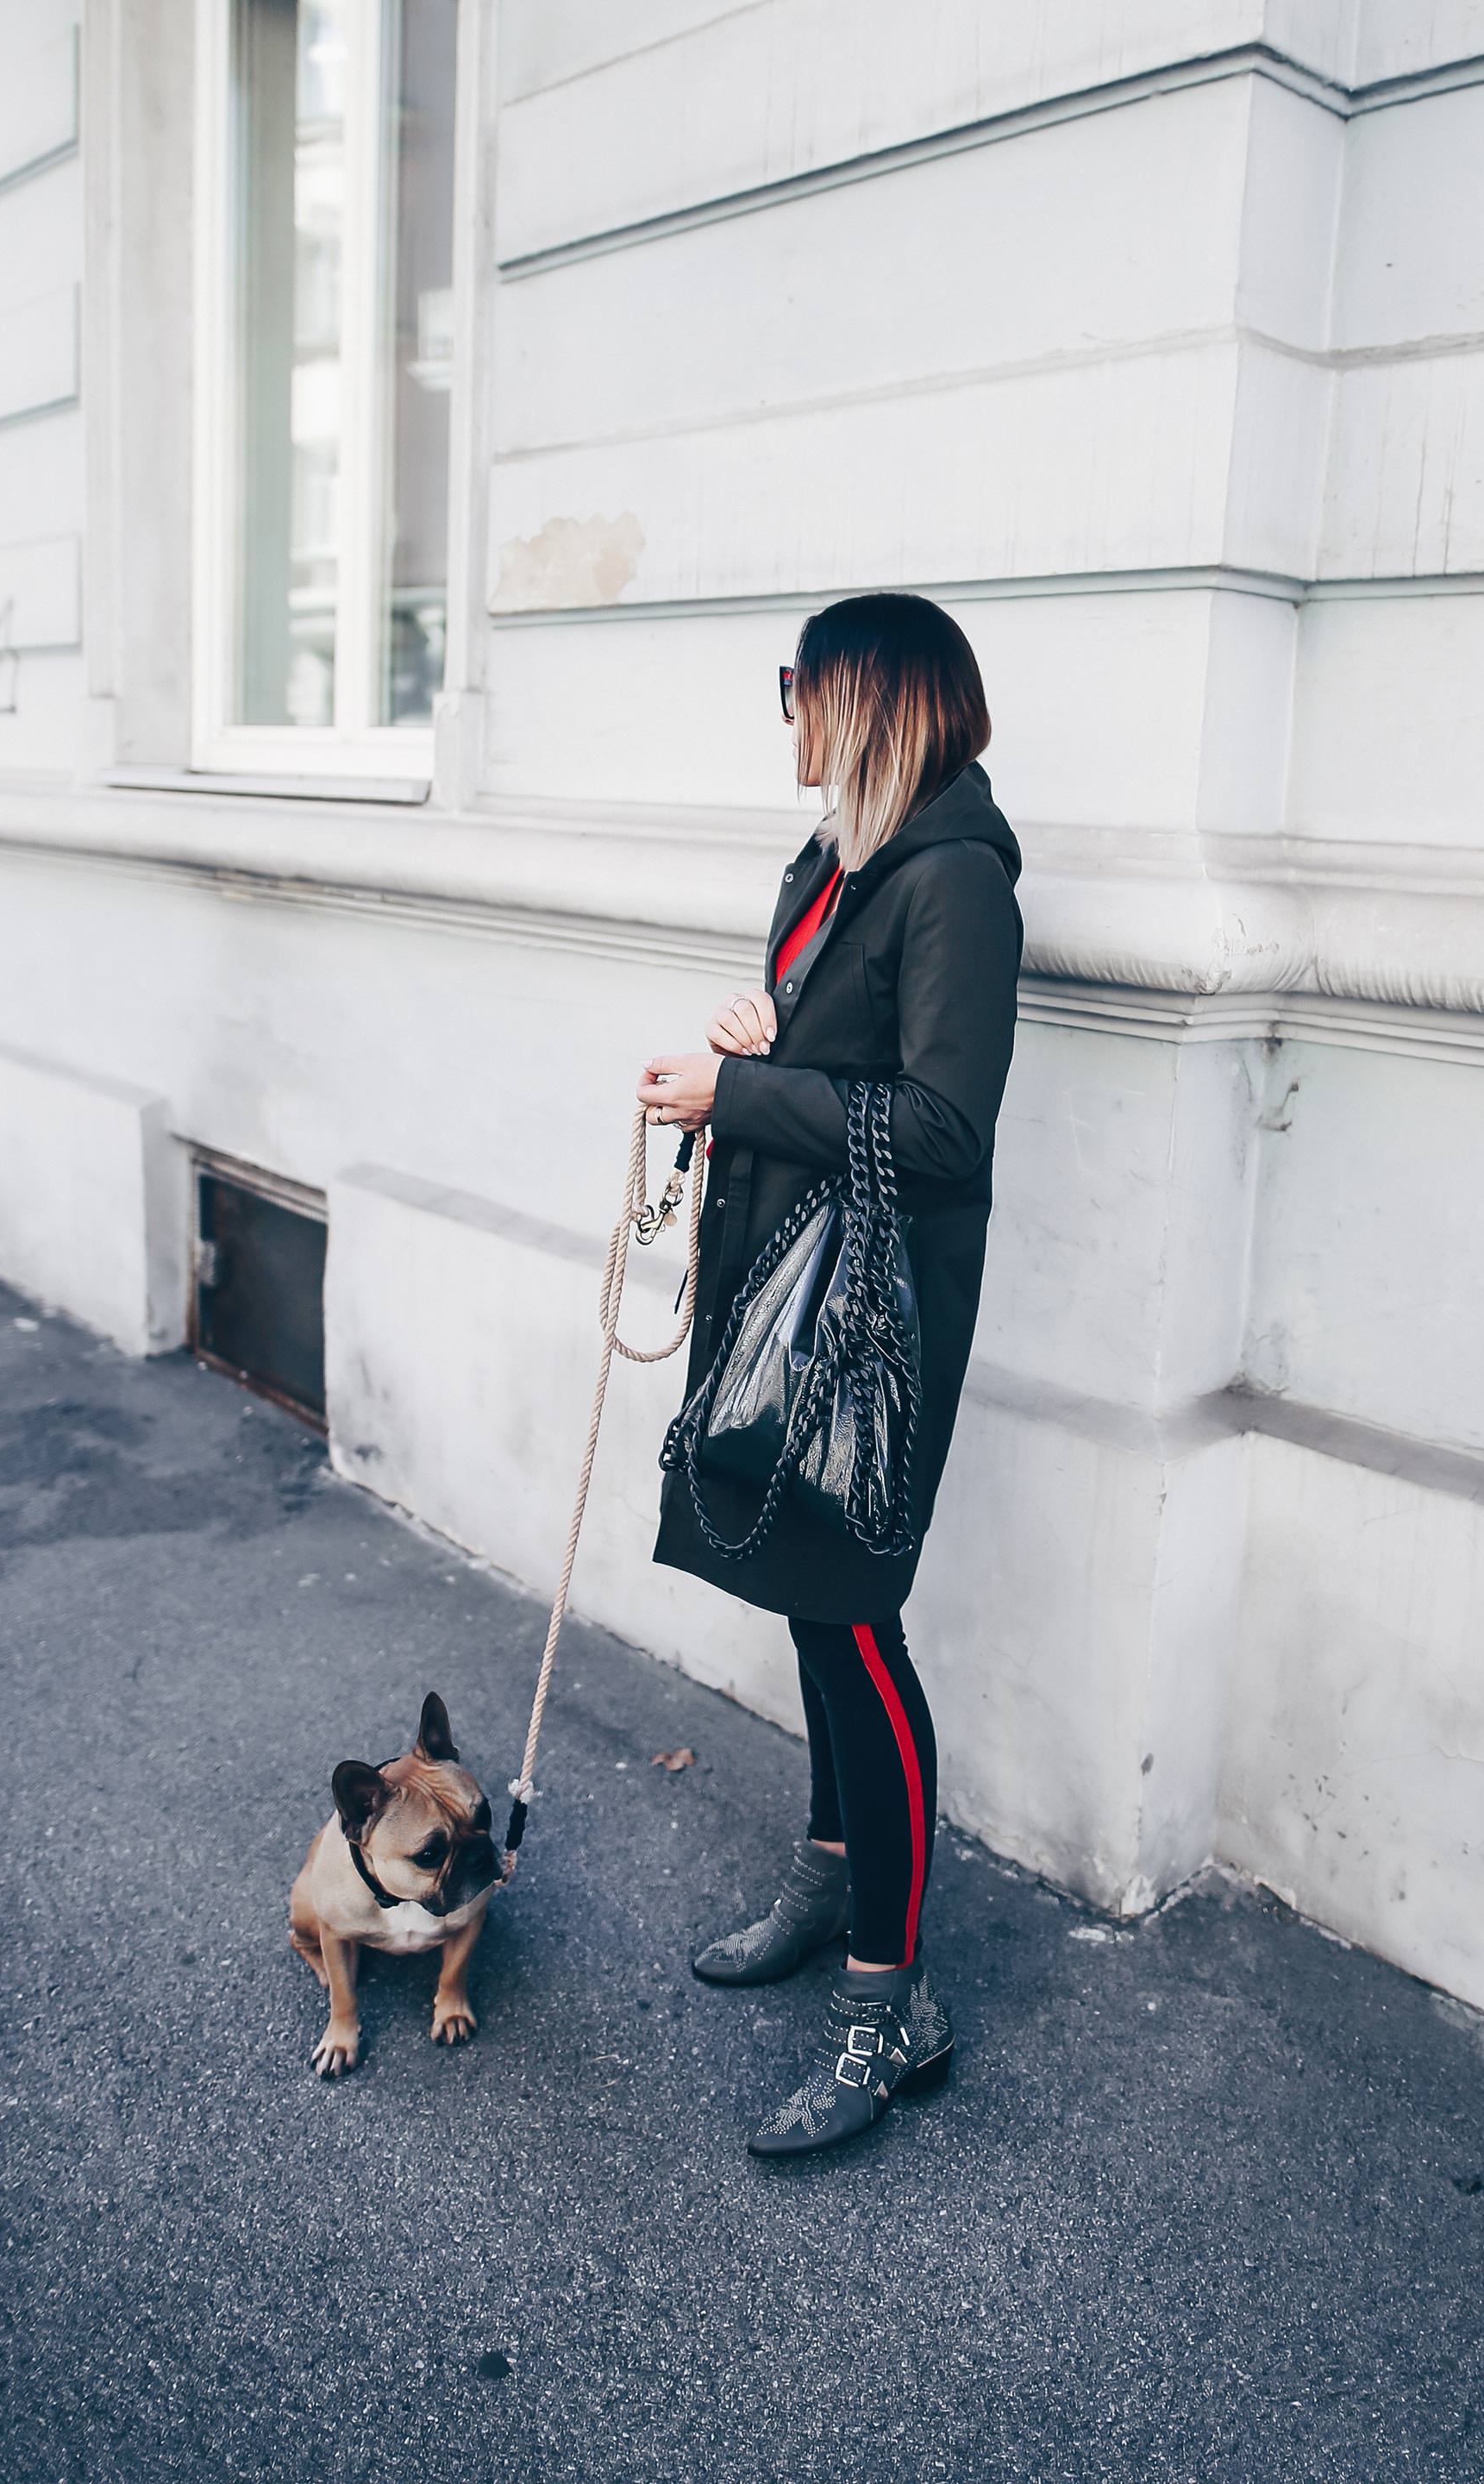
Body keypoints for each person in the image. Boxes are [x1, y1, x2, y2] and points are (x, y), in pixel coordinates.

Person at [636, 592, 1023, 2160]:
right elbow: (839, 1061)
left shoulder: (956, 884)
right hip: (791, 1286)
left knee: (859, 1626)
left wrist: (745, 1086)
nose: (782, 710)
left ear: (865, 701)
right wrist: (766, 1044)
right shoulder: (838, 861)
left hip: (873, 1325)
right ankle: (826, 1862)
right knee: (811, 1596)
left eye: (796, 685)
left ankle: (891, 1998)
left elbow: (942, 1133)